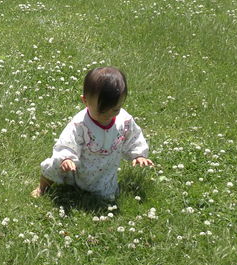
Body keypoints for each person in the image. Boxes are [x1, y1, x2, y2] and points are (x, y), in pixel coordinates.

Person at [31, 67, 153, 201]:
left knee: (106, 198)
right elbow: (67, 142)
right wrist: (66, 158)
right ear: (85, 101)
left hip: (104, 174)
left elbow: (133, 136)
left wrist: (138, 154)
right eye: (101, 112)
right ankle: (43, 187)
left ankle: (93, 195)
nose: (108, 116)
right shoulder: (80, 123)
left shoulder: (124, 120)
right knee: (55, 165)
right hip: (75, 169)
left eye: (115, 110)